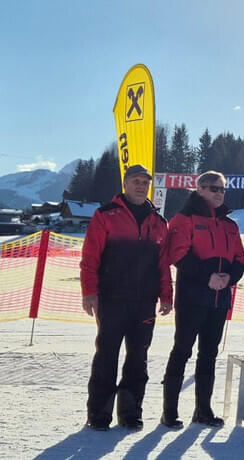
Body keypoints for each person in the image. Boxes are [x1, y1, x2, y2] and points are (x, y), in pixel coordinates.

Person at [80, 164, 172, 431]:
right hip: (112, 299)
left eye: (145, 182)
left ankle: (131, 414)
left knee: (138, 358)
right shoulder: (105, 215)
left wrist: (166, 295)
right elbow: (90, 257)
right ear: (125, 184)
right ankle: (99, 414)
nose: (141, 186)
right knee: (107, 356)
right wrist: (89, 292)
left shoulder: (159, 222)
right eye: (136, 181)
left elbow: (163, 264)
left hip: (145, 302)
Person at [161, 171, 244, 429]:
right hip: (192, 297)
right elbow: (178, 255)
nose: (219, 193)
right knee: (182, 351)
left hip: (220, 299)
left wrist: (228, 278)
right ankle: (169, 412)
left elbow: (240, 259)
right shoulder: (184, 218)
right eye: (213, 188)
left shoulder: (230, 225)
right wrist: (207, 277)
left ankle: (203, 410)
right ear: (199, 190)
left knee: (209, 354)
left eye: (222, 189)